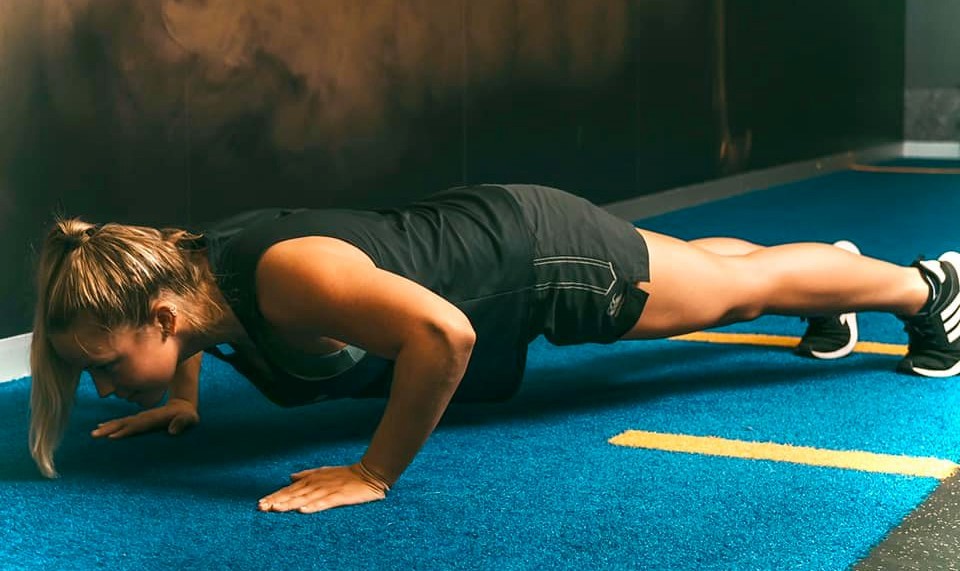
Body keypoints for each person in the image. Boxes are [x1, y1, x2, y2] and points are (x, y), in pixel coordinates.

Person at [29, 183, 960, 514]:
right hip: (496, 229)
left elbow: (444, 332)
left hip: (538, 258)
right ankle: (837, 279)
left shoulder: (281, 278)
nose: (100, 384)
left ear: (158, 320)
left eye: (103, 364)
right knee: (712, 276)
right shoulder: (188, 277)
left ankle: (928, 288)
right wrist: (182, 397)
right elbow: (193, 314)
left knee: (726, 293)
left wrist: (373, 472)